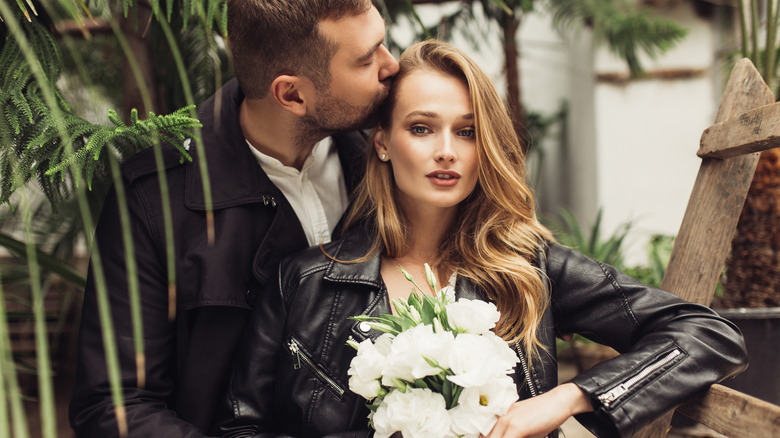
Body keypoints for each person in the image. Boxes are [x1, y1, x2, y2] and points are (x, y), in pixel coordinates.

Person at [215, 39, 748, 438]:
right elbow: (241, 426)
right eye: (422, 128)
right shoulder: (304, 282)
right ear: (382, 143)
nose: (447, 150)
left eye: (467, 132)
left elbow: (708, 333)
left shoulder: (529, 267)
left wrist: (570, 396)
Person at [69, 1, 399, 436]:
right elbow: (114, 405)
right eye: (366, 57)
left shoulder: (393, 164)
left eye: (383, 42)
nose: (391, 64)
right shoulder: (153, 203)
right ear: (292, 94)